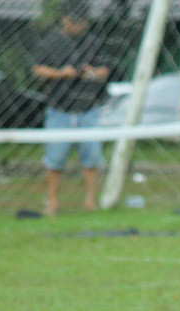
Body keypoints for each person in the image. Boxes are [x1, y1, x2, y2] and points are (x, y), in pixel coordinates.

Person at [32, 0, 110, 216]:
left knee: (92, 158)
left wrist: (91, 73)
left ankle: (90, 201)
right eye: (72, 21)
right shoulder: (50, 42)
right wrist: (61, 73)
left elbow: (105, 69)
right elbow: (37, 70)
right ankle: (53, 201)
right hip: (59, 110)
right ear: (64, 19)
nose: (76, 26)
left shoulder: (93, 42)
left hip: (88, 109)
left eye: (80, 22)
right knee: (54, 160)